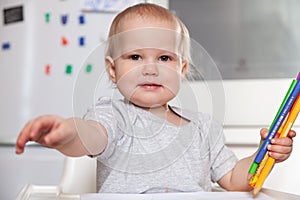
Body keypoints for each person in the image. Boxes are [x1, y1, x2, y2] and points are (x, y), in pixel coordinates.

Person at [16, 3, 296, 193]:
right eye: (135, 57)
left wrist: (265, 153)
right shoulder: (113, 115)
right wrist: (66, 133)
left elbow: (236, 180)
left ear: (181, 68)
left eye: (164, 58)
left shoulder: (204, 128)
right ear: (113, 70)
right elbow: (90, 136)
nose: (150, 68)